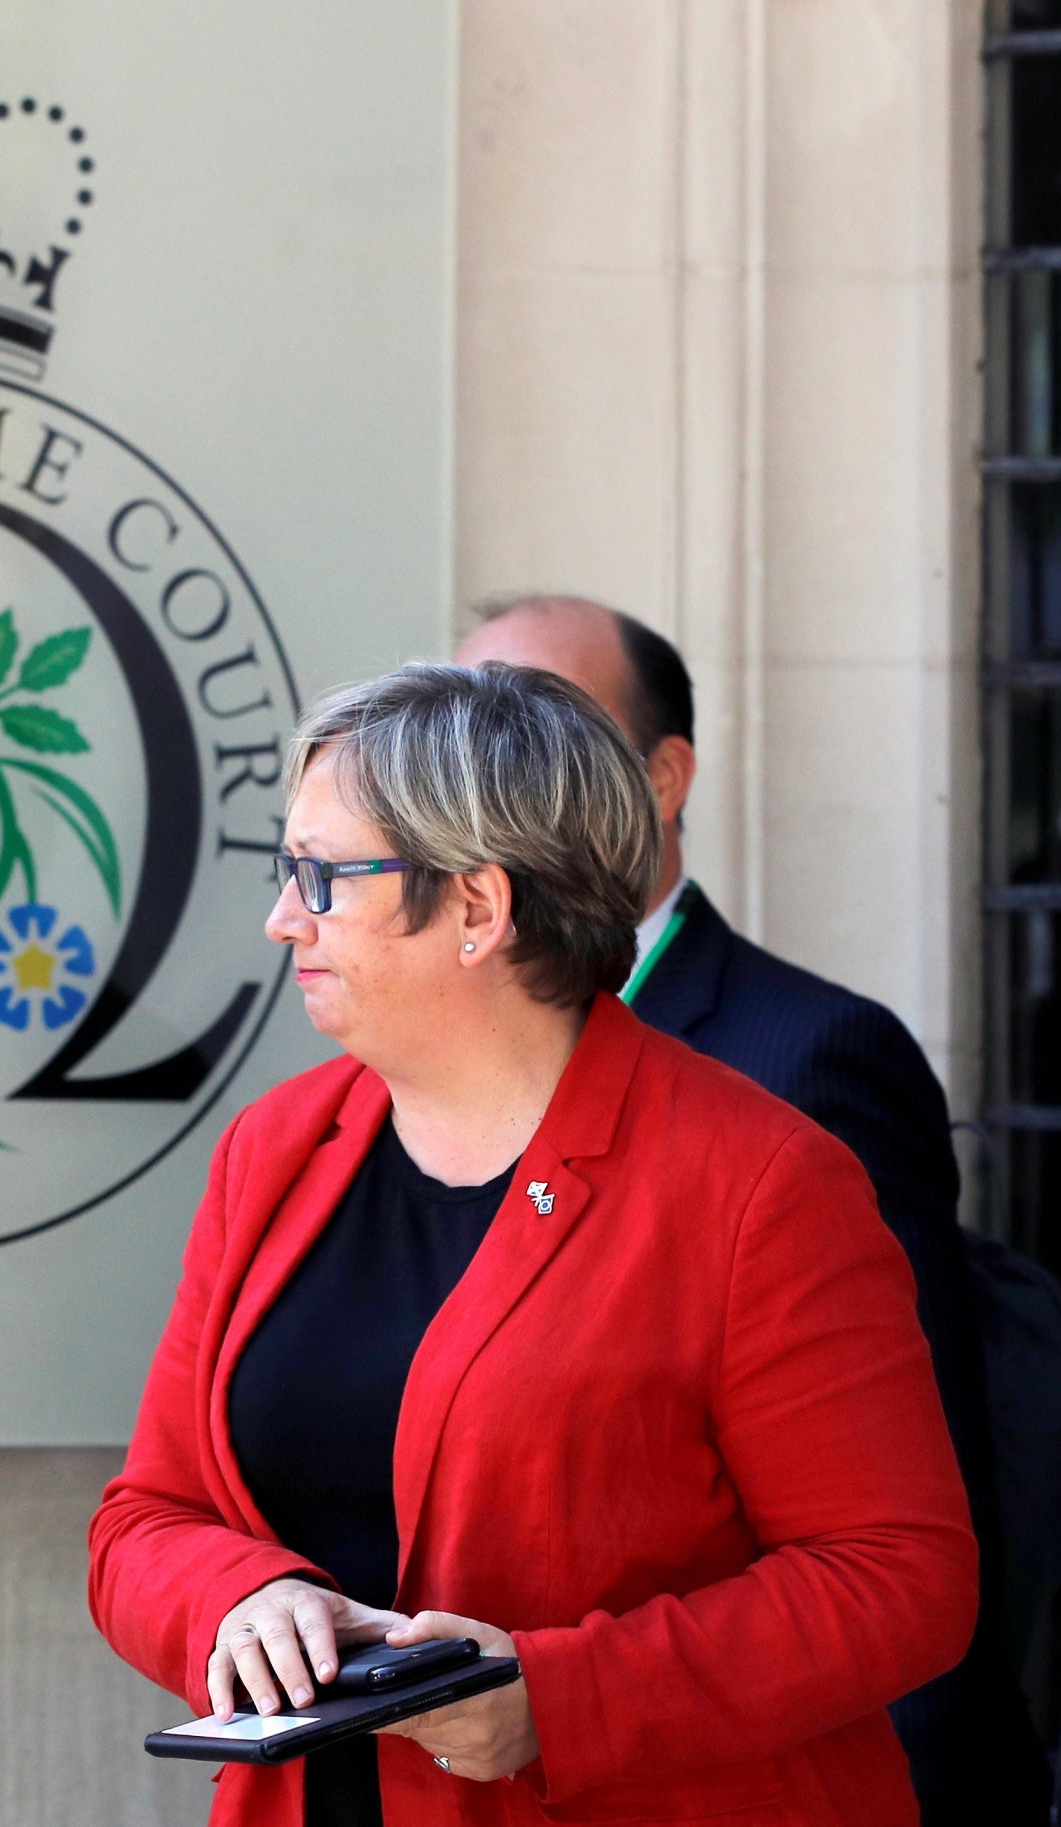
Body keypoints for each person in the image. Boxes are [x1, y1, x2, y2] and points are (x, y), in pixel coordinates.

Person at [88, 663, 975, 1827]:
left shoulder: (760, 1184)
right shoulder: (275, 1151)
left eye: (321, 875)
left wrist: (563, 1698)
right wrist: (240, 1598)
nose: (281, 916)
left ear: (476, 909)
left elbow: (895, 1580)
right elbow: (145, 1517)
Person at [455, 596, 1046, 1823]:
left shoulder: (809, 1052)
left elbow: (909, 1500)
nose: (484, 785)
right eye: (461, 745)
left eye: (542, 739)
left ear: (663, 778)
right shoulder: (398, 1087)